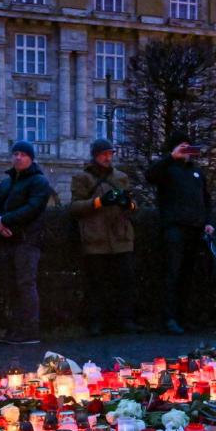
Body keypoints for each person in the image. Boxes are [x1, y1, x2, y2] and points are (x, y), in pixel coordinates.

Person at [146, 131, 214, 335]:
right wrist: (171, 157)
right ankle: (169, 318)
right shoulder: (167, 169)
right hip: (174, 229)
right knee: (172, 274)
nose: (186, 152)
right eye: (182, 148)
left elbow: (206, 200)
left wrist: (208, 222)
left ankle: (185, 317)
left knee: (188, 276)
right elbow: (150, 175)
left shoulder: (197, 172)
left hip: (195, 231)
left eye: (188, 148)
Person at [69, 139, 139, 335]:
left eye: (110, 154)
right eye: (103, 154)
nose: (108, 158)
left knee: (125, 282)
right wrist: (100, 202)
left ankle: (124, 321)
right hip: (95, 239)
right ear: (95, 156)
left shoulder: (121, 177)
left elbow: (134, 207)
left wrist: (128, 204)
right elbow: (75, 207)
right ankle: (96, 323)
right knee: (96, 284)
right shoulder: (82, 177)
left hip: (121, 238)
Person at [0, 141, 53, 345]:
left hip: (28, 240)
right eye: (15, 153)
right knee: (11, 285)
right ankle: (16, 329)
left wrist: (4, 220)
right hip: (8, 240)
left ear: (31, 158)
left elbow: (33, 208)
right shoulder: (7, 182)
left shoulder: (39, 181)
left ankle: (30, 330)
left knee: (26, 285)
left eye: (23, 154)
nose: (18, 157)